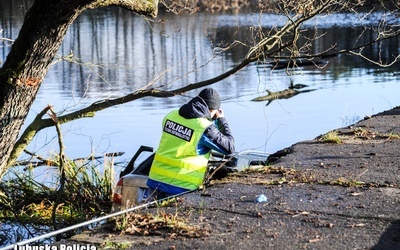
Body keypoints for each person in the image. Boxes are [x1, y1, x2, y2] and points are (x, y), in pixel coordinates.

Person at [146, 88, 235, 200]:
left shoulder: (171, 115)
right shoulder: (204, 127)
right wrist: (221, 120)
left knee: (154, 215)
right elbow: (229, 147)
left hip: (156, 180)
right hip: (181, 185)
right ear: (212, 110)